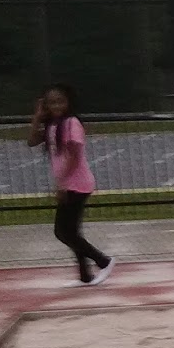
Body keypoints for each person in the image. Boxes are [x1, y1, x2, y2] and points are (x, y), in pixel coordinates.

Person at [27, 84, 115, 287]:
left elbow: (75, 158)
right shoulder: (52, 126)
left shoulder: (72, 123)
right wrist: (37, 117)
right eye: (51, 103)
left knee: (62, 232)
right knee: (72, 232)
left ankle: (103, 261)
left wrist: (62, 184)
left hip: (77, 184)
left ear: (68, 102)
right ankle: (85, 276)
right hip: (69, 184)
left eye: (60, 101)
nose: (56, 106)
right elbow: (31, 141)